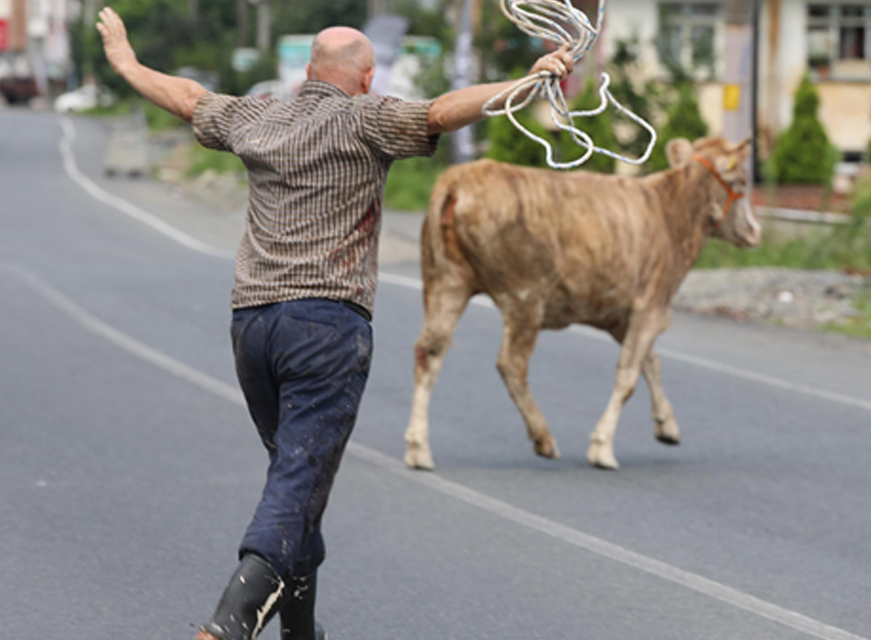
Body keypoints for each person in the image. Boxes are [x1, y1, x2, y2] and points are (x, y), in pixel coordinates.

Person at [94, 7, 574, 640]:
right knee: (298, 479)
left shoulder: (258, 115)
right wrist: (527, 82)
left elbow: (187, 98)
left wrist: (126, 62)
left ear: (307, 74)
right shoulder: (367, 118)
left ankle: (302, 632)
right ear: (367, 77)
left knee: (298, 479)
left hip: (252, 327)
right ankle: (229, 624)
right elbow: (443, 110)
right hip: (325, 325)